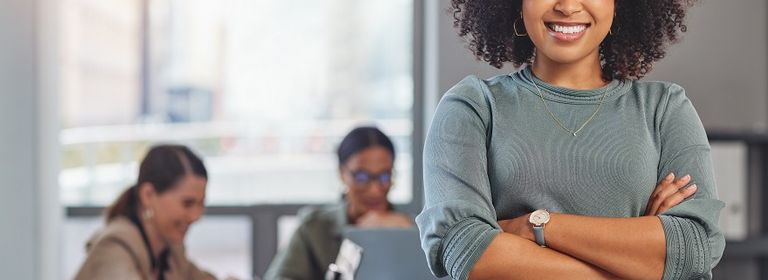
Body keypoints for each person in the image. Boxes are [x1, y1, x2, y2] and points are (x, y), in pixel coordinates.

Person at [416, 0, 724, 279]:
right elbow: (467, 252)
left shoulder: (665, 108)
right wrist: (635, 259)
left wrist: (537, 225)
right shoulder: (473, 107)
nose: (567, 6)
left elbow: (695, 248)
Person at [264, 126, 413, 280]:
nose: (374, 190)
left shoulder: (414, 229)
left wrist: (407, 231)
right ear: (342, 173)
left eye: (384, 177)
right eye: (361, 177)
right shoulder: (314, 227)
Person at [75, 144, 216, 280]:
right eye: (187, 203)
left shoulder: (170, 251)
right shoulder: (114, 247)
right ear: (148, 195)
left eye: (201, 203)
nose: (196, 216)